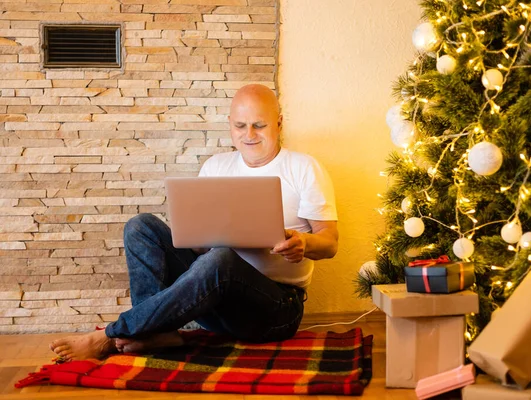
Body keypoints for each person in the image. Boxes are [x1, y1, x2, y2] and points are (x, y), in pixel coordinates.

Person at [49, 84, 339, 360]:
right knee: (141, 226)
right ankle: (157, 331)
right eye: (240, 126)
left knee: (221, 260)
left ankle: (110, 336)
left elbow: (330, 243)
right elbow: (201, 253)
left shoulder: (304, 168)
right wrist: (198, 239)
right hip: (214, 301)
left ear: (279, 122)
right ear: (230, 124)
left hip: (275, 309)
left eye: (259, 125)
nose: (249, 134)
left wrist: (304, 242)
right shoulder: (216, 166)